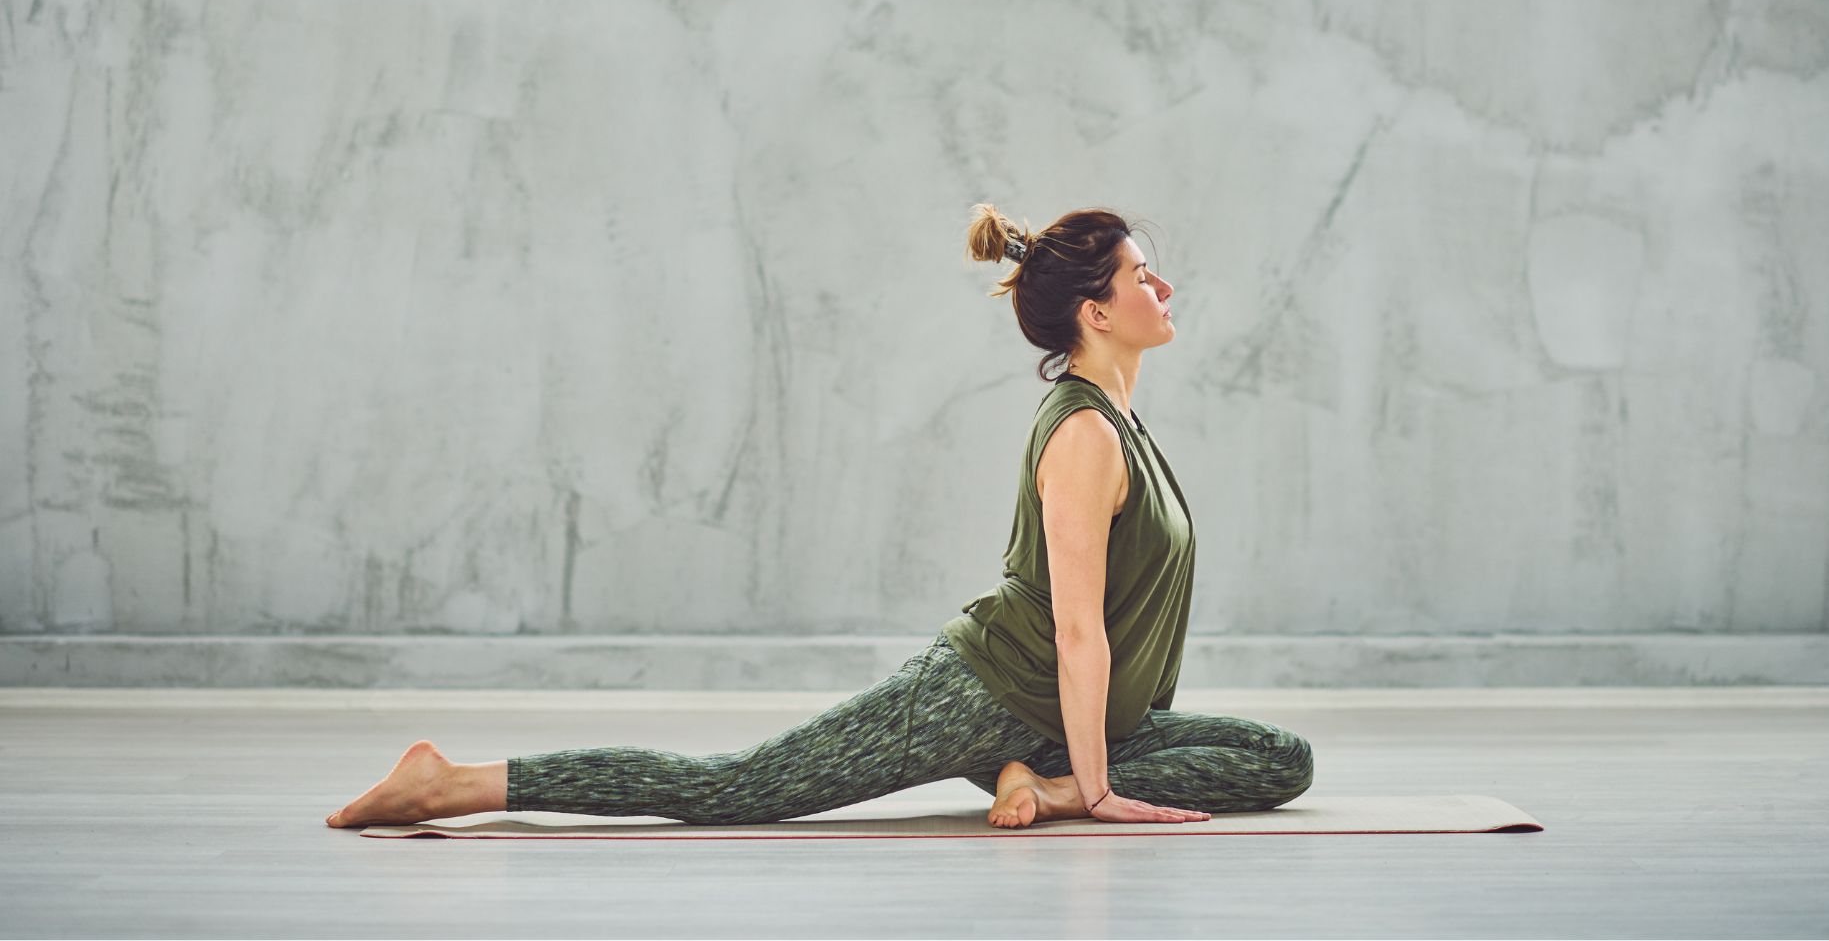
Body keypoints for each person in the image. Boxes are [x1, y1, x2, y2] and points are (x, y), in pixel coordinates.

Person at [325, 204, 1313, 829]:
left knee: (1281, 758)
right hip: (983, 694)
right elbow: (1076, 626)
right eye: (1145, 275)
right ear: (1097, 313)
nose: (1163, 286)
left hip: (1065, 726)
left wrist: (1082, 775)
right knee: (732, 790)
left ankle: (1036, 780)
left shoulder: (1125, 425)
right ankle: (452, 782)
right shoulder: (1085, 437)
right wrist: (1101, 793)